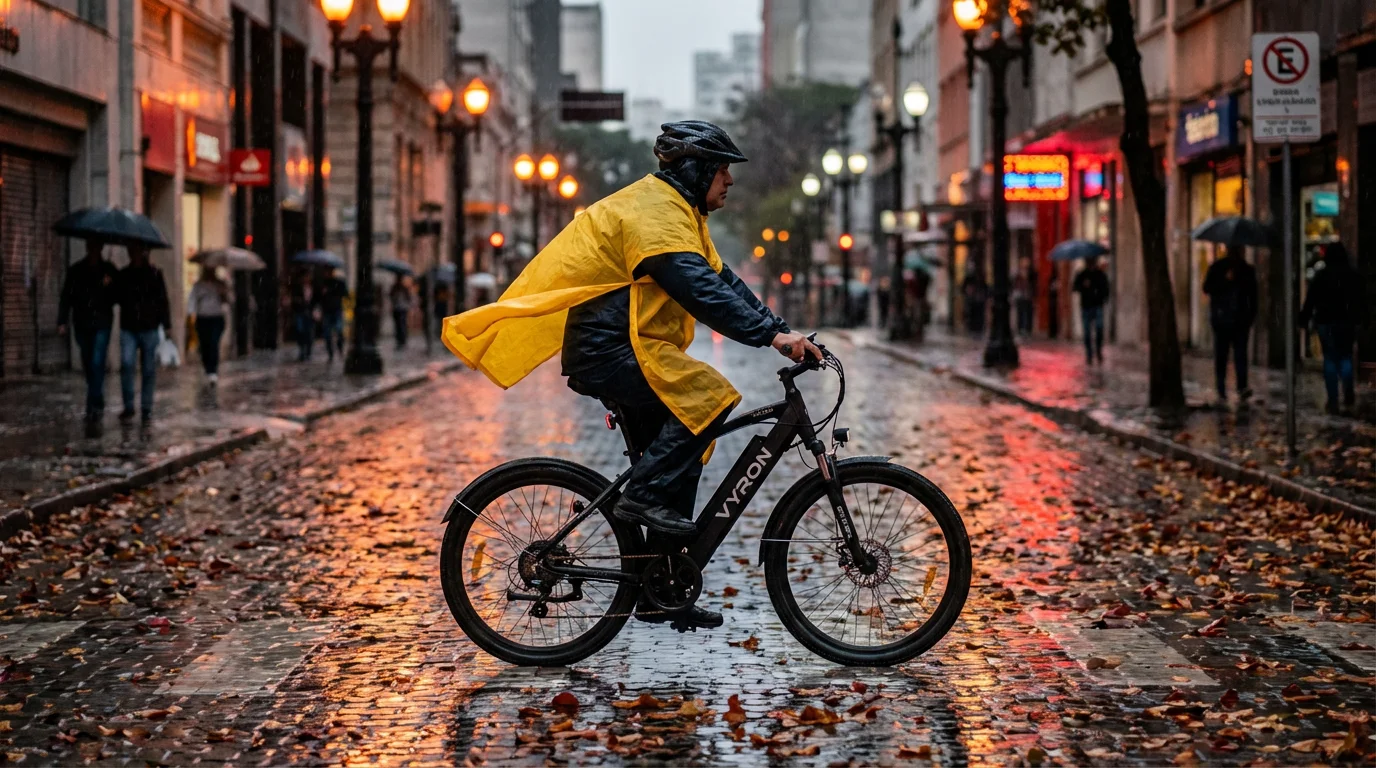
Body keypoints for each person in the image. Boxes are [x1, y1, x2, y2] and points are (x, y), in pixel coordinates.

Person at [442, 121, 820, 630]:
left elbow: (723, 281)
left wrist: (780, 328)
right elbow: (696, 289)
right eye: (723, 169)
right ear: (697, 170)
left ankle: (661, 588)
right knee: (706, 397)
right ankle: (640, 498)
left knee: (679, 462)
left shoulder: (680, 213)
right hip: (611, 350)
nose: (729, 180)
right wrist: (771, 339)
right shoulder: (654, 213)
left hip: (630, 347)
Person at [57, 239, 119, 423]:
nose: (94, 250)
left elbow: (117, 297)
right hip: (82, 323)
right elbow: (66, 296)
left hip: (102, 323)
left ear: (100, 248)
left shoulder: (109, 270)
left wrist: (110, 285)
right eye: (91, 247)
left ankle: (92, 406)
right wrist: (62, 321)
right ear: (87, 248)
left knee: (97, 361)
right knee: (88, 362)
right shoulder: (76, 270)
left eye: (96, 247)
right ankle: (97, 398)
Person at [1300, 242, 1361, 414]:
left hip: (1325, 322)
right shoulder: (1352, 276)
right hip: (1347, 321)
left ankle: (1333, 399)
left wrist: (1304, 317)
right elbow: (1360, 299)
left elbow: (1310, 299)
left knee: (1330, 359)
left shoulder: (1322, 275)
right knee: (1346, 356)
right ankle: (1348, 391)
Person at [113, 245, 171, 423]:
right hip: (129, 327)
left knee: (148, 369)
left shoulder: (154, 273)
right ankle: (129, 406)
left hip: (149, 327)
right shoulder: (123, 275)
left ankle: (146, 407)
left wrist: (166, 324)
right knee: (127, 363)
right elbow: (116, 297)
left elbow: (163, 299)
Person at [1203, 245, 1258, 403]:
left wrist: (1250, 317)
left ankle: (1241, 386)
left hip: (1240, 320)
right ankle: (1221, 387)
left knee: (1240, 354)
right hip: (1222, 320)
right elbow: (1207, 288)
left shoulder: (1247, 270)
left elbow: (1253, 296)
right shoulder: (1218, 268)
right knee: (1222, 354)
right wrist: (1225, 280)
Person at [189, 265, 230, 384]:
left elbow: (227, 301)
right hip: (203, 318)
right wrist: (191, 313)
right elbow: (192, 299)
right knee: (204, 344)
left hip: (216, 317)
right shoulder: (198, 286)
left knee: (213, 343)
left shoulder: (220, 284)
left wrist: (224, 292)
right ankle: (207, 368)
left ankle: (213, 371)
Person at [1072, 257, 1110, 364]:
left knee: (1099, 329)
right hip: (1086, 306)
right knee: (1087, 332)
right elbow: (1075, 287)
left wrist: (1101, 296)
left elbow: (1106, 288)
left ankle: (1098, 351)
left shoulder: (1100, 274)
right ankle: (1089, 354)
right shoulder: (1082, 274)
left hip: (1097, 306)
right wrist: (1083, 285)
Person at [317, 269, 349, 361]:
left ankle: (340, 349)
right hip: (327, 311)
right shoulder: (323, 284)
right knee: (327, 334)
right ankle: (330, 353)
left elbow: (345, 294)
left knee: (339, 331)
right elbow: (318, 297)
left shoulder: (339, 283)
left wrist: (333, 292)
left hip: (337, 310)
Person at [289, 274, 316, 362]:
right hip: (300, 312)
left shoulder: (314, 288)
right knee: (300, 331)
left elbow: (317, 300)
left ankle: (307, 352)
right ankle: (302, 351)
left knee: (309, 333)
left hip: (310, 313)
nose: (306, 278)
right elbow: (293, 300)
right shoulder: (297, 288)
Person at [1013, 257, 1036, 335]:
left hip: (1029, 295)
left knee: (1029, 312)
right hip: (1020, 296)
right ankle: (1020, 328)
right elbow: (1015, 284)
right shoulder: (1018, 274)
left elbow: (1034, 284)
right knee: (1020, 312)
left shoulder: (1031, 273)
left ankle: (1028, 329)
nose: (1025, 265)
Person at [962, 264, 987, 334]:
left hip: (979, 300)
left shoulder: (981, 280)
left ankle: (978, 327)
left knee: (979, 314)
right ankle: (972, 327)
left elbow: (985, 288)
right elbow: (964, 288)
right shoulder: (969, 278)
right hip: (972, 300)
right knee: (971, 313)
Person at [390, 275, 413, 349]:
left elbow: (408, 298)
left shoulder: (404, 288)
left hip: (402, 309)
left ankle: (402, 341)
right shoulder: (394, 288)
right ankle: (399, 341)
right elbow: (390, 296)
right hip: (397, 309)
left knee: (402, 325)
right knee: (398, 325)